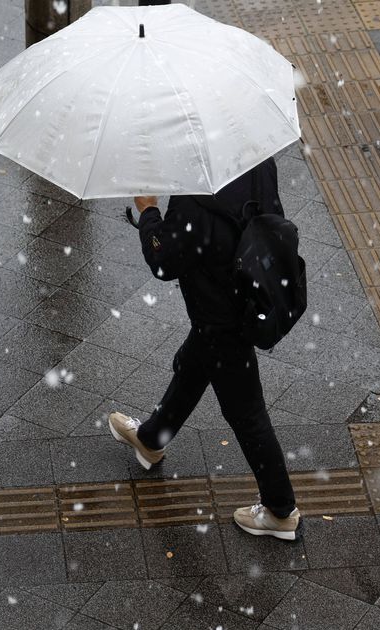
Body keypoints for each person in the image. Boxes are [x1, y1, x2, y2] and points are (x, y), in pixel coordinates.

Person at [108, 156, 300, 540]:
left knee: (246, 413)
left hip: (219, 316)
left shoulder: (194, 197)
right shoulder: (258, 161)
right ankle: (151, 440)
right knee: (195, 366)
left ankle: (281, 511)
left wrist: (148, 213)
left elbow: (164, 261)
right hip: (249, 294)